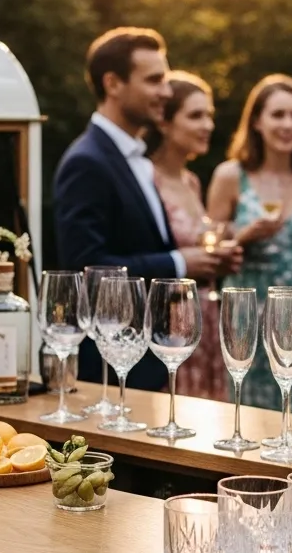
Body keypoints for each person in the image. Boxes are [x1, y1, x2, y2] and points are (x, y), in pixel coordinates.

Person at [54, 28, 229, 391]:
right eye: (154, 80)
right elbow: (87, 269)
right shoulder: (87, 162)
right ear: (113, 83)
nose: (166, 91)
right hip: (113, 368)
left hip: (150, 364)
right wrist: (180, 264)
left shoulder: (135, 158)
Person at [208, 74, 292, 414]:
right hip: (246, 317)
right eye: (278, 115)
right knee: (247, 415)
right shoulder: (230, 176)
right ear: (257, 122)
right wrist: (244, 236)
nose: (288, 124)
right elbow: (210, 253)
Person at [147, 71, 239, 401]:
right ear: (165, 123)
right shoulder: (148, 180)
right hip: (173, 323)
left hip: (207, 319)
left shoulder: (191, 181)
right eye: (196, 115)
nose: (208, 126)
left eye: (210, 116)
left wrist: (224, 251)